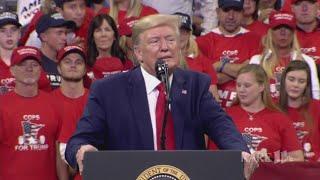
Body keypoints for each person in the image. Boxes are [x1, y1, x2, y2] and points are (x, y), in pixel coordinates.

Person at [65, 14, 257, 179]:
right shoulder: (108, 91)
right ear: (138, 53)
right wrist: (83, 151)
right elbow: (79, 141)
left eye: (171, 40)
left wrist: (240, 151)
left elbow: (221, 126)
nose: (165, 47)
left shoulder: (195, 85)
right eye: (155, 41)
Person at [209, 64, 304, 162]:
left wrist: (279, 161)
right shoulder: (224, 116)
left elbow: (298, 159)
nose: (241, 90)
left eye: (247, 85)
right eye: (238, 85)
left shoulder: (280, 118)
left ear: (261, 87)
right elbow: (213, 157)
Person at [0, 46, 66, 179]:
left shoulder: (55, 103)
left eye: (34, 64)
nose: (29, 69)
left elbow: (59, 153)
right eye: (23, 64)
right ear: (12, 70)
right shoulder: (2, 105)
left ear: (41, 70)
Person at [196, 0, 261, 108]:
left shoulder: (256, 40)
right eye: (226, 10)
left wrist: (219, 65)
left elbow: (255, 76)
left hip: (247, 110)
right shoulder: (202, 42)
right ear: (217, 12)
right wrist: (241, 69)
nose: (231, 16)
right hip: (214, 110)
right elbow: (204, 80)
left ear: (242, 12)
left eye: (236, 10)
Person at [249, 11, 320, 99]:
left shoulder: (307, 61)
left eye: (287, 28)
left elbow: (315, 96)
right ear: (270, 33)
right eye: (278, 28)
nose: (283, 32)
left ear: (293, 33)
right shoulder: (257, 61)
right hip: (267, 111)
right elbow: (251, 94)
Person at [54, 45, 89, 180]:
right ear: (58, 68)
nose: (73, 65)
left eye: (78, 62)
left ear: (86, 69)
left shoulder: (96, 102)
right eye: (67, 61)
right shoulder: (47, 102)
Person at [0, 11, 50, 94]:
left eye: (13, 29)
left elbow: (45, 94)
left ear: (19, 33)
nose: (9, 34)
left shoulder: (31, 59)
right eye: (3, 30)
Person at [279, 61, 320, 162]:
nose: (295, 85)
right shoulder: (273, 109)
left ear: (307, 85)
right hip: (284, 169)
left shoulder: (317, 107)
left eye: (301, 81)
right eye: (291, 79)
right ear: (283, 80)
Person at [174, 12, 219, 101]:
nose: (180, 36)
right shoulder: (159, 60)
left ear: (189, 34)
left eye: (184, 32)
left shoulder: (203, 61)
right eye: (176, 31)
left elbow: (214, 98)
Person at [86, 14, 133, 81]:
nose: (103, 34)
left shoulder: (127, 64)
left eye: (107, 30)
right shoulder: (86, 65)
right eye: (98, 30)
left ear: (114, 36)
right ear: (92, 37)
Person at [36, 13, 76, 89]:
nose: (64, 38)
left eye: (65, 33)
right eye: (59, 33)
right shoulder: (34, 62)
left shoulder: (68, 61)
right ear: (44, 37)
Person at [292, 0, 320, 68]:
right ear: (292, 9)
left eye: (310, 3)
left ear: (317, 7)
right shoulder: (284, 34)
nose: (304, 8)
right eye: (298, 4)